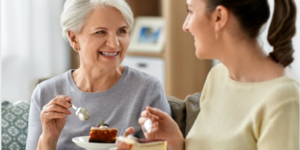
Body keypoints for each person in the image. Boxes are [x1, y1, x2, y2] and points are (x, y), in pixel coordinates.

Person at [137, 0, 299, 150]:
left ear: (219, 17)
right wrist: (177, 143)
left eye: (191, 11)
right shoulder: (218, 76)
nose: (185, 26)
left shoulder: (283, 99)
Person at [25, 0, 171, 149]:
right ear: (74, 39)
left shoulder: (147, 89)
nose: (114, 44)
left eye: (121, 31)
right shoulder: (46, 93)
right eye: (100, 32)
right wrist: (48, 138)